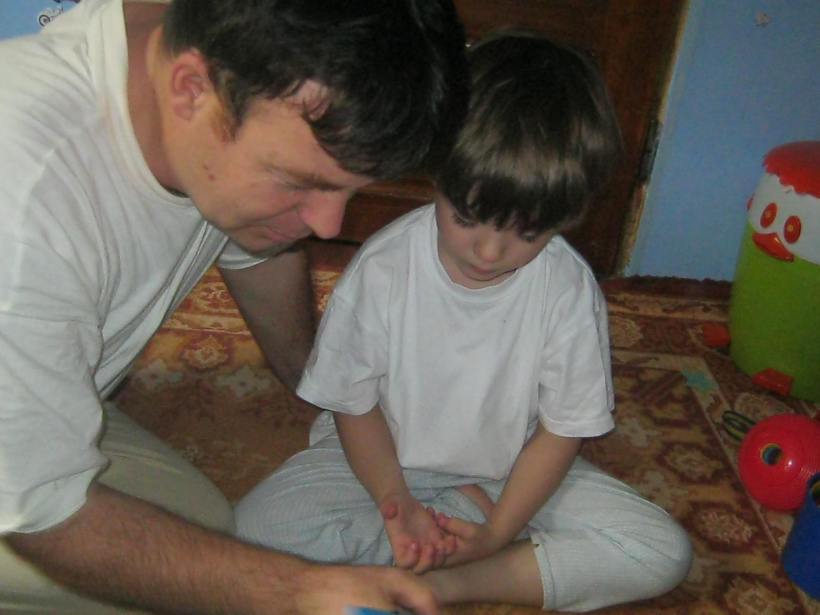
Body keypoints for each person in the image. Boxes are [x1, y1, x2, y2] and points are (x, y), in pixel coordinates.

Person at [0, 0, 467, 613]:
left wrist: (322, 382)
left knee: (208, 533)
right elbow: (43, 514)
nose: (328, 225)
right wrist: (299, 591)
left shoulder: (207, 49)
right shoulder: (21, 209)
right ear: (191, 89)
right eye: (301, 182)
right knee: (195, 582)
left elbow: (254, 248)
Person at [235, 32, 693, 612]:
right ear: (439, 176)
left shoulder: (568, 289)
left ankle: (441, 581)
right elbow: (355, 405)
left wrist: (499, 531)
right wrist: (396, 504)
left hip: (508, 472)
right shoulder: (384, 266)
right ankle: (436, 539)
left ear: (566, 217)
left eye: (528, 231)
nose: (490, 252)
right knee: (253, 533)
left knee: (659, 549)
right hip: (380, 460)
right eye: (469, 216)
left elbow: (561, 432)